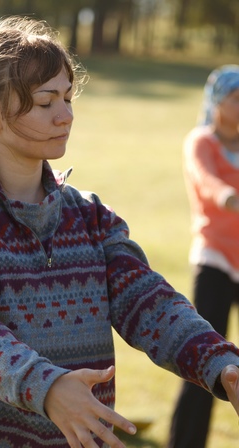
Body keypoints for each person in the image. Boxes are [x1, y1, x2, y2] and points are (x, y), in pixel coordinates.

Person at [0, 16, 238, 448]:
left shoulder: (90, 217)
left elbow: (149, 303)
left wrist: (221, 363)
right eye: (46, 101)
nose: (65, 114)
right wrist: (47, 388)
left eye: (68, 97)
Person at [167, 65, 239, 448]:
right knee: (208, 361)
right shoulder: (202, 141)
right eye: (236, 98)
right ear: (218, 102)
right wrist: (228, 196)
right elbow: (207, 179)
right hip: (214, 260)